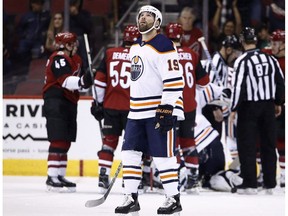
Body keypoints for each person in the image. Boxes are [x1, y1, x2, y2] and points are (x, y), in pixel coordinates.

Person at [115, 5, 184, 215]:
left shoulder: (164, 44)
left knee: (163, 156)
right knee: (129, 154)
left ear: (157, 22)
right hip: (136, 112)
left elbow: (174, 80)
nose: (143, 17)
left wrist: (166, 108)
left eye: (148, 15)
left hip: (158, 110)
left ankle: (173, 199)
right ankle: (132, 198)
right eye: (140, 15)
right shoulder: (135, 47)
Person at [229, 27, 285, 195]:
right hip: (268, 106)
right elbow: (280, 82)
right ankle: (270, 184)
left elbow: (238, 87)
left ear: (242, 41)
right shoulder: (270, 59)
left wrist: (233, 108)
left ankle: (250, 183)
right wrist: (278, 102)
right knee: (269, 144)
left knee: (247, 145)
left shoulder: (242, 60)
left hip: (249, 108)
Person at [90, 25, 140, 192]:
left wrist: (98, 103)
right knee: (132, 146)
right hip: (132, 107)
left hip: (111, 106)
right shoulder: (141, 55)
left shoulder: (110, 54)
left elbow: (99, 82)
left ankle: (103, 177)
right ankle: (129, 180)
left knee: (108, 143)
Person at [42, 32, 93, 192]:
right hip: (56, 100)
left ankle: (60, 175)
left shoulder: (76, 59)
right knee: (58, 139)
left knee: (66, 140)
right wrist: (83, 81)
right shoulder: (58, 58)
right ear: (64, 45)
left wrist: (91, 76)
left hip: (69, 101)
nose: (75, 46)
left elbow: (82, 82)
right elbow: (65, 81)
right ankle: (52, 176)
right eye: (72, 43)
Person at [165, 23, 210, 194]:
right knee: (188, 141)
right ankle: (192, 178)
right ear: (181, 36)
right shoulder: (192, 54)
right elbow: (203, 83)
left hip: (170, 105)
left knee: (171, 143)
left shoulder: (161, 54)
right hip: (188, 106)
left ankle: (172, 178)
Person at [203, 35, 240, 137]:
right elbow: (207, 86)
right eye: (235, 53)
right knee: (213, 142)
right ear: (228, 50)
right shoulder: (216, 61)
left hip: (214, 105)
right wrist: (214, 108)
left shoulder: (222, 62)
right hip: (210, 108)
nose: (236, 57)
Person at [16, 0, 50, 74]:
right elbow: (19, 28)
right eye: (38, 4)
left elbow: (49, 27)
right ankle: (24, 71)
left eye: (41, 4)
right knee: (21, 50)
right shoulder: (27, 16)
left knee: (38, 52)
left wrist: (44, 34)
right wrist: (24, 35)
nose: (40, 6)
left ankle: (35, 73)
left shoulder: (45, 16)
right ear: (33, 4)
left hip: (38, 41)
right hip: (27, 40)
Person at [270, 29, 285, 188]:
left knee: (282, 141)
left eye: (276, 43)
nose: (272, 46)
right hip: (271, 106)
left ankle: (284, 174)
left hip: (283, 106)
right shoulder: (269, 58)